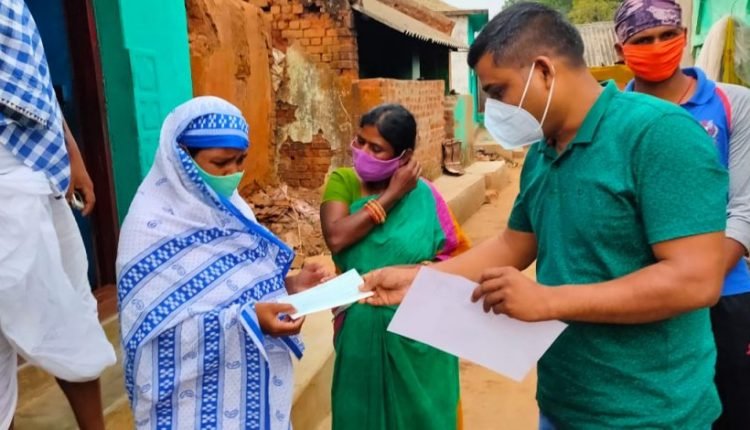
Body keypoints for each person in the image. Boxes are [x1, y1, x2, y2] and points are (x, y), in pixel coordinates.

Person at [362, 3, 729, 429]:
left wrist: (549, 300)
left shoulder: (659, 134)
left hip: (651, 413)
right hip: (563, 402)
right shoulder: (542, 152)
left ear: (544, 71)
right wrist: (420, 279)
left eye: (498, 91)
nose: (494, 109)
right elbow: (514, 243)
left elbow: (695, 279)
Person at [116, 96, 329, 429]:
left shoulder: (232, 207)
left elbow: (240, 284)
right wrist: (249, 320)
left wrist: (290, 285)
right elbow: (150, 338)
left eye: (240, 160)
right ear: (181, 158)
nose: (233, 173)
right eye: (220, 163)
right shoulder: (149, 228)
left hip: (252, 399)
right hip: (189, 409)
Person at [614, 1, 750, 427]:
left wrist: (697, 280)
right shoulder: (611, 118)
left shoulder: (733, 104)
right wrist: (659, 289)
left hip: (726, 292)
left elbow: (744, 206)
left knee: (732, 408)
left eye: (667, 35)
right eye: (643, 40)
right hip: (642, 297)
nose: (658, 46)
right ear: (620, 51)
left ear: (684, 36)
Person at [0, 1, 116, 429]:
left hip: (38, 168)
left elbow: (36, 84)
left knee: (68, 309)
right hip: (8, 179)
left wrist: (73, 154)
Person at [320, 104, 470, 429]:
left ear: (404, 157)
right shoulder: (344, 182)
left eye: (376, 148)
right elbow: (337, 237)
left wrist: (417, 273)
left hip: (421, 336)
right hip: (361, 335)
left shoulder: (426, 196)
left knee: (425, 419)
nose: (362, 153)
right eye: (360, 141)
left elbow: (456, 258)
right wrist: (391, 195)